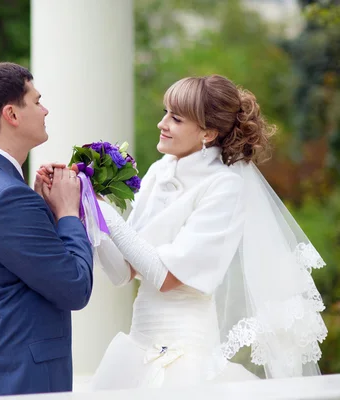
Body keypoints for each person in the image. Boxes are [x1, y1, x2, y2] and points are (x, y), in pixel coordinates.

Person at [38, 75, 327, 389]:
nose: (162, 123)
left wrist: (102, 210)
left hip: (186, 354)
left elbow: (167, 277)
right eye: (165, 113)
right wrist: (85, 212)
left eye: (175, 118)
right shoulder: (160, 171)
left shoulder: (225, 186)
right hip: (138, 346)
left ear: (208, 132)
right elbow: (123, 272)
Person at [0, 62, 94, 398]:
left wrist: (40, 206)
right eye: (36, 101)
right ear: (12, 115)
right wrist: (67, 212)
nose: (45, 110)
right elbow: (75, 286)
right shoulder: (8, 197)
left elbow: (1, 262)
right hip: (18, 381)